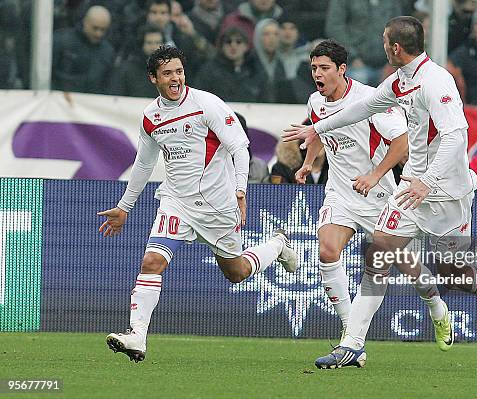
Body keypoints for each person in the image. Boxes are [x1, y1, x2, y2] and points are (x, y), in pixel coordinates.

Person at [284, 16, 477, 368]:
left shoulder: (437, 81)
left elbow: (456, 136)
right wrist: (316, 128)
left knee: (457, 277)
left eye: (384, 41)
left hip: (446, 196)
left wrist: (430, 181)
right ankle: (352, 344)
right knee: (379, 250)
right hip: (410, 189)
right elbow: (362, 108)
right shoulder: (399, 81)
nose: (382, 46)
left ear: (395, 47)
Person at [99, 45, 297, 363]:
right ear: (153, 79)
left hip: (218, 206)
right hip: (176, 202)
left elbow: (241, 149)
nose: (175, 78)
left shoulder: (207, 104)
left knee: (236, 272)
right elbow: (143, 164)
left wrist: (241, 191)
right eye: (167, 73)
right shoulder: (151, 117)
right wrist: (125, 207)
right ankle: (136, 337)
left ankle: (276, 245)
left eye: (179, 71)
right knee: (151, 262)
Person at [293, 40, 410, 367]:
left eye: (324, 68)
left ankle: (437, 310)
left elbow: (401, 143)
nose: (318, 73)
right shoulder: (315, 101)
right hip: (341, 193)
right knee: (327, 251)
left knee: (392, 266)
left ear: (342, 70)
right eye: (314, 68)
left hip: (377, 194)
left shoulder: (371, 100)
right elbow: (317, 133)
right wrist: (308, 164)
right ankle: (350, 334)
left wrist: (374, 175)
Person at [324, 0, 402, 86]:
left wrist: (394, 61)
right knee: (357, 89)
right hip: (355, 64)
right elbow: (334, 27)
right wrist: (353, 56)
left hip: (387, 64)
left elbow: (399, 27)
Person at [52, 5, 115, 94]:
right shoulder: (62, 41)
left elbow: (109, 83)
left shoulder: (108, 52)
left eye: (103, 30)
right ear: (85, 22)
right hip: (60, 100)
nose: (99, 34)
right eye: (95, 28)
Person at [195, 26, 266, 102]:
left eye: (238, 42)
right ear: (222, 46)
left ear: (246, 46)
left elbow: (266, 100)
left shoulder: (255, 70)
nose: (233, 45)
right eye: (228, 42)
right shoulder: (209, 71)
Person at [111, 24, 164, 98]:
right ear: (142, 44)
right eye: (149, 43)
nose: (154, 47)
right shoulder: (127, 70)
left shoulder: (169, 70)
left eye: (157, 43)